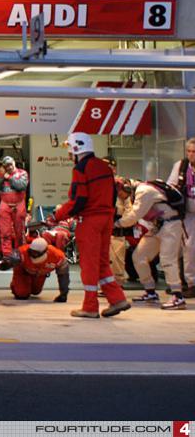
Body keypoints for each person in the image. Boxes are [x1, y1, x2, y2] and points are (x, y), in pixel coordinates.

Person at [54, 133, 129, 318]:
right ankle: (117, 298)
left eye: (70, 150)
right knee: (102, 261)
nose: (69, 154)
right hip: (107, 219)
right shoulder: (104, 167)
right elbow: (113, 195)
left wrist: (59, 215)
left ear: (76, 149)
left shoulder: (81, 168)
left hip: (89, 221)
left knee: (89, 264)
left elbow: (79, 199)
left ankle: (90, 307)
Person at [119, 181, 186, 310]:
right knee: (139, 256)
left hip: (171, 225)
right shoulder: (141, 190)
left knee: (168, 260)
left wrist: (116, 224)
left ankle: (178, 296)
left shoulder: (144, 191)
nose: (119, 196)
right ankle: (150, 292)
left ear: (126, 187)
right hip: (158, 226)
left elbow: (134, 216)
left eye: (118, 191)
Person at [165, 138, 195, 299]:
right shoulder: (181, 166)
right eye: (189, 151)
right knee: (185, 248)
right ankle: (185, 282)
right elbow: (170, 185)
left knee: (190, 248)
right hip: (186, 211)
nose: (191, 155)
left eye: (194, 152)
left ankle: (190, 282)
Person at [6, 237, 70, 303]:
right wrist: (8, 263)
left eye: (35, 253)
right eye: (31, 251)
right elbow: (7, 262)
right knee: (21, 294)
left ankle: (27, 286)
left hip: (40, 273)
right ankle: (15, 286)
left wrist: (63, 293)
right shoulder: (22, 252)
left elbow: (64, 276)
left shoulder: (57, 256)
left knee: (36, 291)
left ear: (45, 251)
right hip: (24, 272)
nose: (32, 254)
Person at [0, 156, 30, 263]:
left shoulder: (22, 173)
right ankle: (7, 255)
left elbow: (21, 186)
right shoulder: (1, 175)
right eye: (6, 166)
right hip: (5, 204)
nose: (9, 167)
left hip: (19, 204)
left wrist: (9, 177)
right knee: (5, 233)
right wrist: (1, 177)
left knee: (20, 232)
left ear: (14, 163)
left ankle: (20, 253)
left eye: (10, 164)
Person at [105, 157, 133, 286]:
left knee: (116, 258)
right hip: (102, 226)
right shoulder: (96, 184)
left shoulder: (121, 184)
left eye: (110, 167)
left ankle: (117, 285)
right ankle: (105, 285)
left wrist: (121, 223)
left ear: (114, 168)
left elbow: (129, 208)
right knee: (102, 259)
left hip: (116, 227)